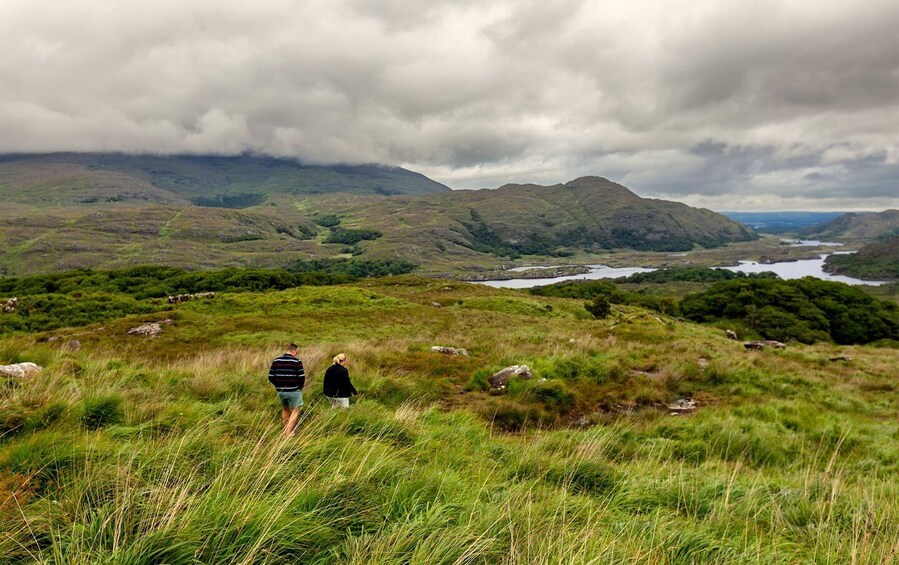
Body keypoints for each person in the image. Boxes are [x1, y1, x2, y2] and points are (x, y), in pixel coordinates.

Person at [268, 343, 306, 437]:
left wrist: (278, 385)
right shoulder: (297, 361)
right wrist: (299, 387)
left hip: (281, 391)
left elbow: (271, 376)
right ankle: (288, 433)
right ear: (294, 351)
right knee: (295, 410)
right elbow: (301, 377)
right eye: (296, 352)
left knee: (285, 409)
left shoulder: (276, 361)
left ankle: (286, 429)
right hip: (294, 390)